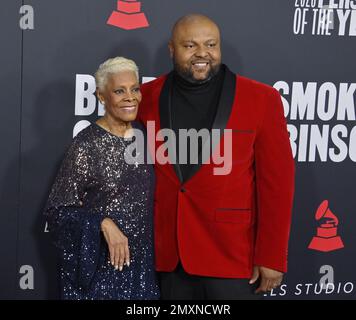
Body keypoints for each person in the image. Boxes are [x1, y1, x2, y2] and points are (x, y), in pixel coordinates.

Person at [138, 14, 295, 299]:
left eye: (211, 44)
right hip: (169, 257)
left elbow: (277, 186)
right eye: (190, 45)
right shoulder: (145, 98)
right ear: (172, 50)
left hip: (232, 256)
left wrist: (272, 256)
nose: (202, 53)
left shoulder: (262, 99)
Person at [44, 57, 159, 300]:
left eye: (135, 89)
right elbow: (57, 212)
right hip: (101, 278)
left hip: (143, 275)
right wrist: (102, 223)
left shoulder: (147, 137)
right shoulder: (86, 145)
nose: (130, 97)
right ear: (101, 97)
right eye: (119, 91)